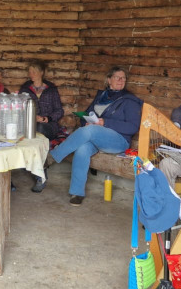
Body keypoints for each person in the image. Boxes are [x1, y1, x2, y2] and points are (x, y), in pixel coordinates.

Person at [48, 66, 142, 205]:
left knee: (91, 130)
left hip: (118, 141)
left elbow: (133, 127)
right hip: (98, 138)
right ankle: (77, 193)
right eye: (117, 77)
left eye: (123, 78)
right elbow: (86, 115)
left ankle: (53, 156)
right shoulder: (102, 97)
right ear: (109, 80)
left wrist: (105, 122)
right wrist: (86, 122)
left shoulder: (129, 100)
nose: (121, 80)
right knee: (82, 149)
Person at [19, 60, 64, 193]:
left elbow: (59, 111)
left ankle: (40, 175)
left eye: (34, 71)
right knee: (33, 133)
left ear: (42, 72)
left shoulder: (51, 89)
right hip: (29, 126)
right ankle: (38, 170)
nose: (31, 74)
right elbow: (20, 108)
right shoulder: (25, 89)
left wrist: (45, 119)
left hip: (48, 126)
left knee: (39, 130)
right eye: (30, 71)